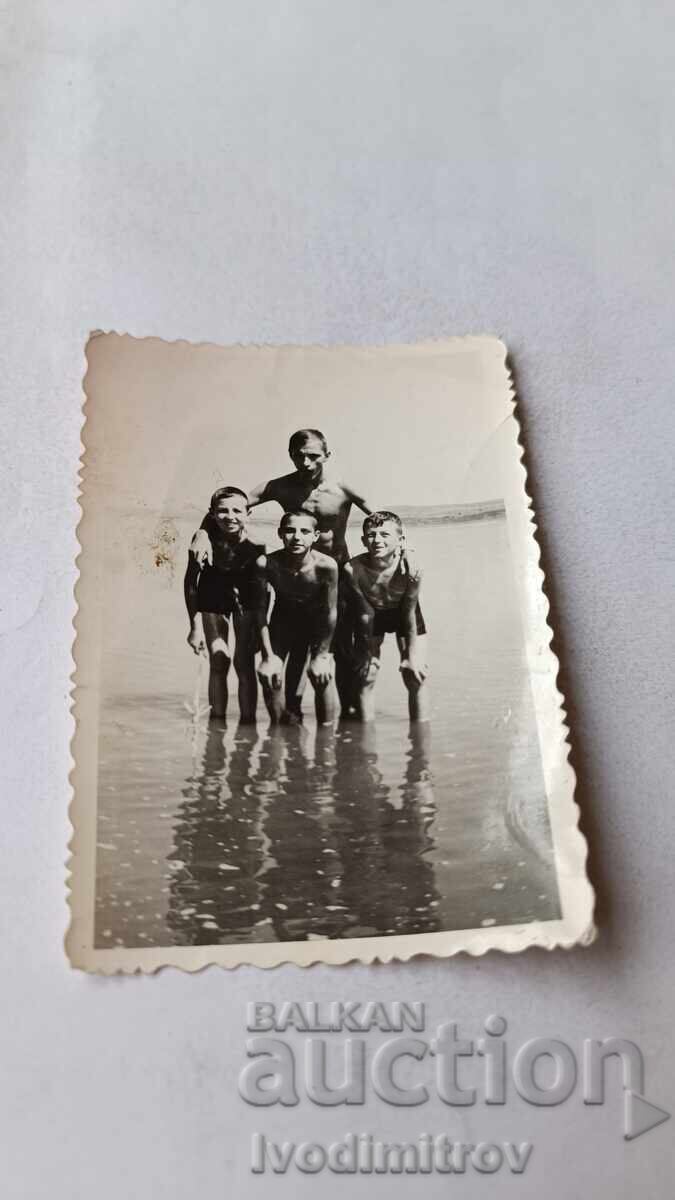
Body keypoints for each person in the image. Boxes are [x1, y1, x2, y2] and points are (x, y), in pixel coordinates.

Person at [189, 429, 372, 713]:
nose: (307, 463)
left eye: (313, 456)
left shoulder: (343, 489)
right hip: (294, 579)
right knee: (296, 649)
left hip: (332, 577)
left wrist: (402, 548)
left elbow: (381, 520)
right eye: (299, 457)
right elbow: (234, 505)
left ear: (327, 455)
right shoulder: (280, 487)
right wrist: (202, 532)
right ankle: (292, 716)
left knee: (340, 654)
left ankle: (347, 723)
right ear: (290, 456)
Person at [184, 486, 278, 721]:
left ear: (248, 514)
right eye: (222, 511)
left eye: (237, 510)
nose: (230, 516)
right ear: (212, 514)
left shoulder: (257, 546)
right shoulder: (202, 543)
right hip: (213, 594)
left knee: (243, 661)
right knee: (218, 657)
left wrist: (261, 632)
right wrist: (194, 627)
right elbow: (190, 584)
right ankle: (217, 726)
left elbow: (262, 593)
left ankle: (248, 721)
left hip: (245, 599)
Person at [342, 510, 430, 722]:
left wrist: (410, 655)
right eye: (371, 535)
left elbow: (409, 609)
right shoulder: (352, 569)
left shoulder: (412, 567)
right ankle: (366, 739)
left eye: (384, 534)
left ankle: (420, 740)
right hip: (371, 615)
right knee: (366, 675)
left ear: (400, 540)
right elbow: (365, 614)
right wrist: (365, 652)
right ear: (363, 540)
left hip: (405, 613)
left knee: (415, 675)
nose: (377, 540)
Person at [258, 510, 338, 725]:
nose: (297, 537)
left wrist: (322, 655)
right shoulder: (267, 564)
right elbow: (259, 611)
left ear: (315, 535)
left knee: (322, 675)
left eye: (304, 531)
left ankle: (326, 737)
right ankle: (279, 732)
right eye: (290, 531)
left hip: (316, 625)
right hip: (282, 621)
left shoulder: (326, 566)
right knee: (269, 674)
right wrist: (267, 656)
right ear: (280, 534)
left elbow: (331, 611)